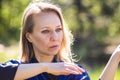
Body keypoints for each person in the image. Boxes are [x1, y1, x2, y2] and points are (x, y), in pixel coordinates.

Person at [0, 1, 90, 80]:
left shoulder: (73, 73)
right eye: (46, 31)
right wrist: (46, 67)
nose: (55, 37)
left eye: (58, 29)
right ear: (29, 37)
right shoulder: (18, 71)